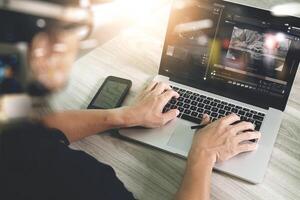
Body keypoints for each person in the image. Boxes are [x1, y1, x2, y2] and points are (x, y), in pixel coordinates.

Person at [0, 1, 261, 199]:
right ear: (44, 50)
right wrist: (204, 154)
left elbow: (39, 130)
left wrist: (124, 115)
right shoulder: (77, 180)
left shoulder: (12, 131)